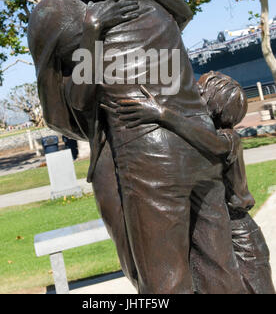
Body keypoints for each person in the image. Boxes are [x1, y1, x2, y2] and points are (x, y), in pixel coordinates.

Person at [25, 0, 245, 294]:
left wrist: (92, 35)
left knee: (162, 281)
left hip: (147, 156)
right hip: (201, 144)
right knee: (220, 269)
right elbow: (182, 15)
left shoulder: (50, 10)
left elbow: (58, 115)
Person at [110, 72, 275, 294]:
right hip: (229, 225)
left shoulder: (228, 140)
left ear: (215, 103)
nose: (194, 93)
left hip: (241, 232)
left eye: (200, 91)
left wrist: (162, 114)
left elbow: (212, 143)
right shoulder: (207, 137)